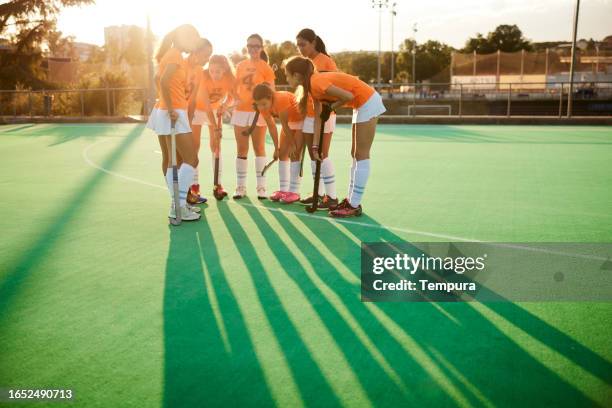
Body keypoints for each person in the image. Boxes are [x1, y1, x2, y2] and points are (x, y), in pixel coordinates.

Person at [284, 56, 386, 218]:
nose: (286, 79)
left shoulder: (316, 82)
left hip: (367, 101)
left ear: (296, 75)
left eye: (287, 75)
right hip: (360, 105)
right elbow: (318, 118)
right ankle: (351, 200)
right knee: (355, 154)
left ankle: (354, 204)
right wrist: (315, 146)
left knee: (361, 154)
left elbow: (348, 96)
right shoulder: (311, 87)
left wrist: (330, 107)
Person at [145, 24, 202, 221]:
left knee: (172, 160)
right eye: (194, 39)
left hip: (168, 109)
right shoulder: (175, 55)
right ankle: (178, 206)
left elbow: (157, 78)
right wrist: (169, 107)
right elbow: (163, 81)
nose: (195, 43)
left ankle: (177, 206)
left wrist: (163, 102)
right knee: (191, 159)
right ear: (184, 37)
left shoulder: (170, 54)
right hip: (173, 111)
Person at [294, 28, 339, 209]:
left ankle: (332, 197)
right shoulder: (306, 62)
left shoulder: (325, 61)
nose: (300, 48)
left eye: (303, 44)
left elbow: (332, 87)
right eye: (298, 45)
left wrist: (324, 109)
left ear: (313, 43)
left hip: (324, 114)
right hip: (310, 115)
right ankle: (317, 194)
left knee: (322, 154)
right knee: (313, 155)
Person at [231, 33, 276, 199]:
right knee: (241, 150)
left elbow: (272, 90)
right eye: (250, 46)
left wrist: (265, 107)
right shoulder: (240, 65)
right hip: (241, 112)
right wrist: (232, 100)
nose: (253, 49)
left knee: (259, 149)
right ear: (247, 47)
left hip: (258, 113)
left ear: (261, 48)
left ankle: (261, 188)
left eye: (256, 46)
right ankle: (240, 187)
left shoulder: (266, 67)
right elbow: (234, 87)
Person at [190, 54, 235, 199]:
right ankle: (195, 185)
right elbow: (207, 107)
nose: (214, 74)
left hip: (215, 109)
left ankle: (218, 184)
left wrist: (224, 105)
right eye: (212, 70)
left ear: (225, 70)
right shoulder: (203, 77)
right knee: (194, 146)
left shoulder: (229, 78)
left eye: (218, 71)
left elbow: (232, 97)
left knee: (216, 146)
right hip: (198, 109)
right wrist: (216, 127)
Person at [252, 83, 302, 203]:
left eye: (264, 104)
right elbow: (272, 126)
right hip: (290, 124)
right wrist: (276, 148)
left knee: (295, 154)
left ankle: (295, 191)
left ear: (271, 97)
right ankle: (283, 190)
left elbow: (284, 125)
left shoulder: (281, 99)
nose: (261, 107)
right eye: (258, 104)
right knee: (282, 155)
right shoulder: (263, 108)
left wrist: (294, 144)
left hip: (302, 121)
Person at [185, 38, 213, 203]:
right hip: (172, 113)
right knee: (180, 158)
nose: (207, 59)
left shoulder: (199, 72)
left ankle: (188, 194)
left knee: (190, 157)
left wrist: (187, 120)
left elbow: (194, 99)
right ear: (196, 51)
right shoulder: (181, 65)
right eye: (206, 55)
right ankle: (181, 198)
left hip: (185, 115)